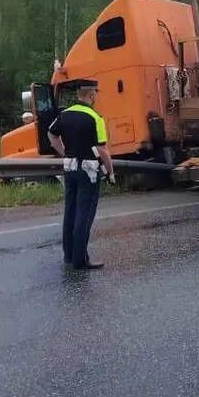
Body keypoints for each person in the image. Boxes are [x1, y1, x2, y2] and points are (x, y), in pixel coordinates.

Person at [47, 79, 115, 271]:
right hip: (89, 171)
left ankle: (68, 256)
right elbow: (103, 149)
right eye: (96, 94)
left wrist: (64, 151)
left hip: (69, 167)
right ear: (92, 94)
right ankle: (80, 260)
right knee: (84, 214)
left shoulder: (64, 114)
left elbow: (51, 135)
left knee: (70, 211)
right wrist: (110, 173)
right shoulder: (95, 117)